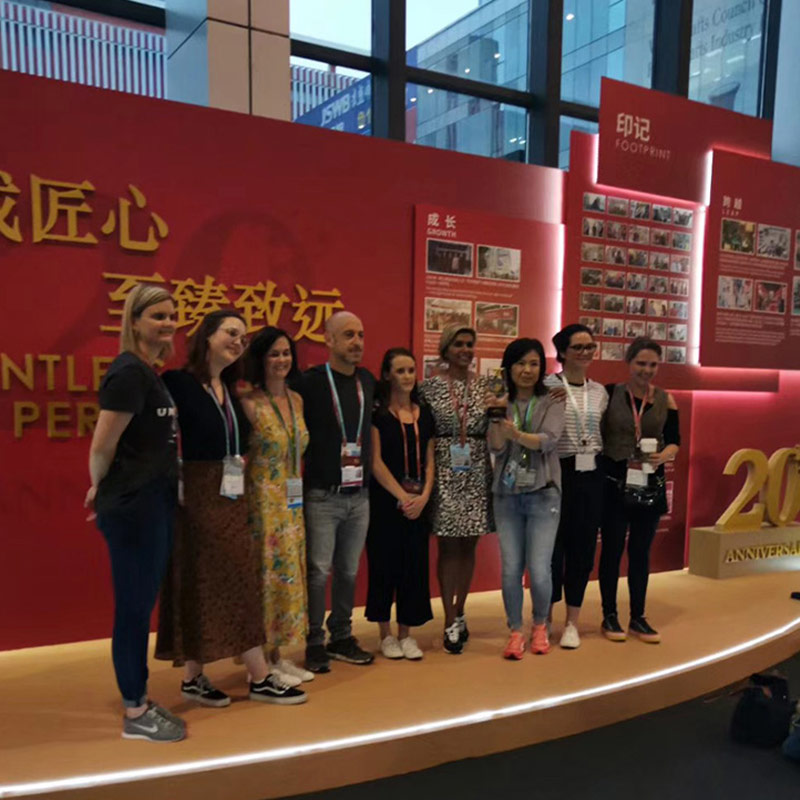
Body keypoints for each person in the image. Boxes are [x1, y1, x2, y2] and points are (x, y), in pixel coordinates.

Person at [155, 311, 306, 706]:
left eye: (243, 336)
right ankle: (259, 676)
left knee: (215, 583)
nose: (238, 341)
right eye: (231, 333)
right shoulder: (178, 383)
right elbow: (160, 439)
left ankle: (193, 677)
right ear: (207, 336)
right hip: (197, 495)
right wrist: (175, 480)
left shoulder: (230, 390)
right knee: (224, 582)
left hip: (234, 495)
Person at [85, 284, 185, 742]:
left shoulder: (148, 373)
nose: (167, 323)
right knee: (133, 610)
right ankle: (134, 711)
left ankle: (140, 696)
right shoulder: (127, 373)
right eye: (157, 316)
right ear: (135, 320)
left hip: (152, 505)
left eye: (171, 315)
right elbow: (102, 445)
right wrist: (100, 488)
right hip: (133, 509)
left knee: (142, 605)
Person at [298, 311, 376, 673]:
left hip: (359, 496)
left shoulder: (367, 381)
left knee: (348, 570)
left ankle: (341, 636)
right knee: (317, 572)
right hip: (322, 495)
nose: (356, 342)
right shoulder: (310, 383)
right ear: (328, 340)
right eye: (348, 335)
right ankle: (314, 641)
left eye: (360, 335)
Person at [240, 326, 315, 688]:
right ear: (260, 359)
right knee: (267, 579)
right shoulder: (248, 403)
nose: (281, 360)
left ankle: (279, 655)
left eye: (286, 353)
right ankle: (262, 661)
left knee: (289, 579)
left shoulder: (297, 400)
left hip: (293, 503)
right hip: (263, 504)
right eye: (274, 354)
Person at [598, 337, 680, 644]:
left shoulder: (666, 400)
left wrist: (665, 455)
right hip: (614, 484)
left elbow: (675, 440)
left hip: (649, 483)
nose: (647, 370)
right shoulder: (609, 394)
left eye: (653, 365)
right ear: (629, 363)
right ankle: (609, 615)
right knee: (612, 551)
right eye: (641, 363)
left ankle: (638, 617)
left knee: (641, 553)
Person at [487, 338, 565, 659]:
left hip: (543, 493)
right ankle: (515, 631)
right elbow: (495, 446)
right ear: (508, 368)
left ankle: (540, 625)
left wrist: (517, 435)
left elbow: (548, 441)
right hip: (507, 495)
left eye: (534, 363)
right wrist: (495, 415)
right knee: (510, 569)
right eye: (520, 363)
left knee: (540, 568)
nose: (527, 370)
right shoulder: (499, 401)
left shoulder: (552, 400)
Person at [419, 326, 492, 654]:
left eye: (469, 344)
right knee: (448, 546)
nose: (465, 350)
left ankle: (461, 610)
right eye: (458, 344)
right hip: (444, 468)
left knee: (469, 545)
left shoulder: (487, 386)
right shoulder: (429, 388)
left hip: (476, 468)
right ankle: (448, 617)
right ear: (445, 349)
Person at [366, 348, 435, 660]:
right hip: (386, 504)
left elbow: (430, 461)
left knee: (414, 568)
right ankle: (386, 634)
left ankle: (406, 633)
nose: (407, 377)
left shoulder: (425, 414)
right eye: (400, 371)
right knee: (384, 567)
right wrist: (402, 496)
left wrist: (424, 496)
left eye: (411, 370)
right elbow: (376, 463)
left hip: (418, 505)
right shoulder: (378, 415)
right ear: (386, 375)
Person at [546, 324, 607, 650]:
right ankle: (544, 618)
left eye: (590, 346)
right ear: (563, 352)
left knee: (582, 550)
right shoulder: (547, 386)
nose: (585, 352)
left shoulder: (599, 392)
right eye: (578, 347)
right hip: (556, 472)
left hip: (590, 473)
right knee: (550, 551)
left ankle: (572, 622)